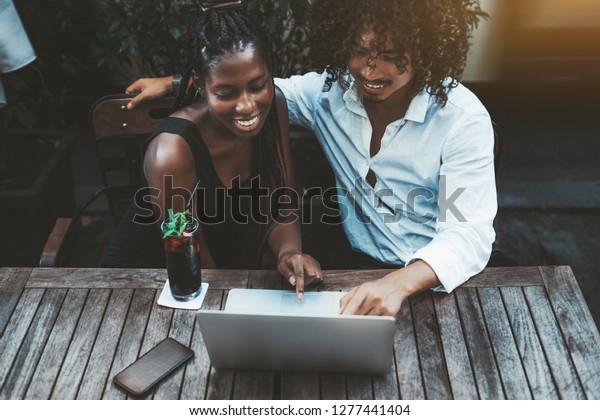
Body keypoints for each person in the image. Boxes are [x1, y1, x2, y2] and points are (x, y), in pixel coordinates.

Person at [124, 0, 497, 316]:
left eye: (389, 57)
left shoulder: (461, 118)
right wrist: (177, 82)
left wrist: (399, 283)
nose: (370, 70)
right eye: (360, 51)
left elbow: (467, 233)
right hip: (358, 272)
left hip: (440, 281)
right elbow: (256, 91)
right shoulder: (330, 95)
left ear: (425, 51)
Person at [104, 1, 321, 299]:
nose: (248, 105)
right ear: (199, 86)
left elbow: (281, 204)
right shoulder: (172, 151)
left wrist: (289, 253)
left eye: (258, 85)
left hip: (222, 273)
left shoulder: (274, 106)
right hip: (151, 283)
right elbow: (189, 254)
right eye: (226, 93)